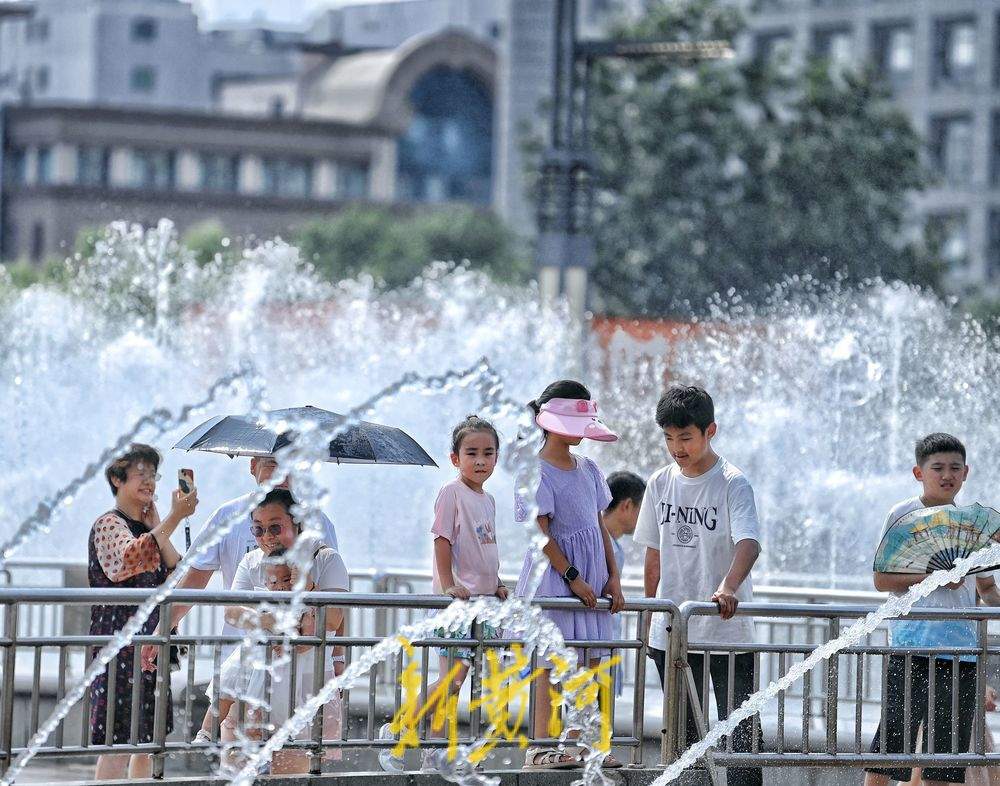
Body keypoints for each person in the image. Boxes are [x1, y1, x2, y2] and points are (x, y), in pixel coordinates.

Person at [143, 454, 340, 744]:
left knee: (290, 764)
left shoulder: (318, 523)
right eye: (273, 466)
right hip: (241, 663)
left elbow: (334, 600)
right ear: (253, 466)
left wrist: (338, 660)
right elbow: (194, 582)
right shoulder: (228, 517)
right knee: (236, 759)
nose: (282, 475)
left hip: (302, 669)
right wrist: (162, 631)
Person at [634, 386, 762, 786]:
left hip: (725, 629)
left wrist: (728, 587)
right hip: (673, 630)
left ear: (710, 431)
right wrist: (651, 612)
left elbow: (749, 543)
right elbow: (652, 554)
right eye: (669, 438)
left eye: (685, 437)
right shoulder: (659, 482)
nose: (677, 447)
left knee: (741, 729)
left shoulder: (731, 482)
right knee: (683, 734)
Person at [864, 433, 1000, 786]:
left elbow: (986, 588)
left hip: (961, 654)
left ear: (966, 472)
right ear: (918, 472)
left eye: (955, 468)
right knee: (889, 754)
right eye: (937, 467)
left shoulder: (973, 525)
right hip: (910, 648)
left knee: (945, 761)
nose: (947, 475)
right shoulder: (902, 514)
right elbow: (881, 579)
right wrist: (932, 575)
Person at [378, 415, 508, 774]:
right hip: (457, 605)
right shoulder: (452, 492)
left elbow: (485, 547)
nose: (480, 461)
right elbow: (442, 540)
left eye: (488, 453)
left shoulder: (489, 499)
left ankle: (435, 750)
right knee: (451, 679)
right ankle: (398, 730)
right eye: (472, 453)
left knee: (455, 684)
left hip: (481, 603)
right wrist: (448, 582)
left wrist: (496, 583)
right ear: (455, 458)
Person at [513, 379, 625, 771]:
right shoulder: (535, 471)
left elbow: (599, 527)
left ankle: (583, 744)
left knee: (589, 661)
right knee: (551, 665)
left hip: (592, 580)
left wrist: (613, 576)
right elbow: (539, 533)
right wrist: (573, 576)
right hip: (555, 578)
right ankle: (541, 747)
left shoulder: (589, 468)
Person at [88, 443, 198, 780]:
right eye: (141, 474)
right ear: (117, 479)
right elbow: (126, 561)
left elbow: (178, 574)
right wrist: (173, 518)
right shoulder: (109, 525)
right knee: (117, 741)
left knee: (149, 742)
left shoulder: (147, 528)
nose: (149, 482)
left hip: (150, 645)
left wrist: (162, 526)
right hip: (119, 648)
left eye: (153, 475)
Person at [218, 489, 348, 774]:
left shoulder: (325, 559)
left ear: (297, 523)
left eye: (275, 527)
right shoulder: (253, 561)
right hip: (256, 678)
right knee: (236, 768)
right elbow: (232, 611)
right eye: (258, 529)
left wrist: (306, 583)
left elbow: (335, 618)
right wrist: (272, 624)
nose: (267, 537)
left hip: (304, 682)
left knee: (289, 771)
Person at [603, 471, 645, 696]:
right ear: (627, 505)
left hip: (605, 647)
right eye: (642, 510)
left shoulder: (613, 545)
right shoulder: (600, 542)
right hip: (597, 649)